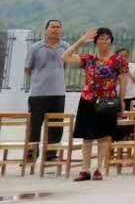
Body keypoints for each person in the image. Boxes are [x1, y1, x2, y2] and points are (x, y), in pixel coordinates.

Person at [67, 28, 128, 182]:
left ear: (111, 41)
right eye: (101, 38)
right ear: (95, 41)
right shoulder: (89, 59)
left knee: (104, 137)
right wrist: (81, 40)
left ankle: (98, 169)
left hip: (108, 101)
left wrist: (122, 100)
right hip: (88, 100)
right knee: (87, 136)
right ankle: (85, 169)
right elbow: (65, 57)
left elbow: (123, 80)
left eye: (107, 38)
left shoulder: (119, 60)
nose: (104, 41)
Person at [24, 20, 84, 168]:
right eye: (52, 27)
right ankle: (31, 155)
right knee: (35, 126)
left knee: (56, 126)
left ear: (61, 30)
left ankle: (51, 155)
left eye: (58, 27)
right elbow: (28, 68)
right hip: (38, 94)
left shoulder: (65, 47)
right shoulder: (36, 47)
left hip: (58, 93)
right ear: (46, 30)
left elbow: (66, 64)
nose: (55, 30)